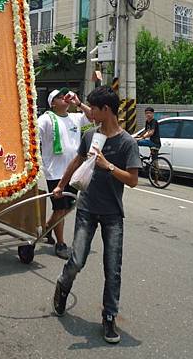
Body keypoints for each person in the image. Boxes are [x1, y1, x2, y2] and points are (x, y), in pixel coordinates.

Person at [51, 86, 141, 344]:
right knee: (77, 260)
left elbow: (133, 181)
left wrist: (108, 166)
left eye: (95, 109)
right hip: (87, 209)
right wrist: (61, 185)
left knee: (112, 269)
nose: (90, 113)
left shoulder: (127, 143)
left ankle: (109, 316)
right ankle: (63, 286)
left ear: (107, 110)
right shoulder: (91, 136)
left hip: (113, 214)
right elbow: (76, 162)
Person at [38, 87, 92, 259]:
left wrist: (79, 103)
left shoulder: (76, 117)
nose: (65, 98)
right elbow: (33, 134)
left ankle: (47, 227)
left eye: (66, 96)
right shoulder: (46, 119)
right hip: (55, 172)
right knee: (60, 208)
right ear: (53, 103)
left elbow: (93, 117)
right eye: (60, 97)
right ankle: (60, 244)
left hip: (74, 171)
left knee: (68, 206)